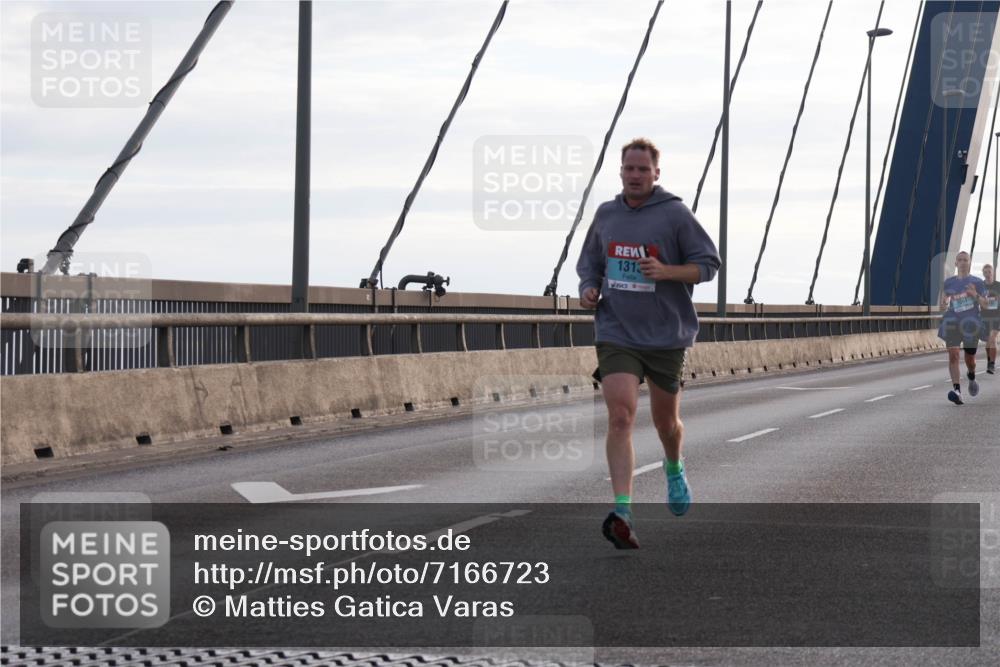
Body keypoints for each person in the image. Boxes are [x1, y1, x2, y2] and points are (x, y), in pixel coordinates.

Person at [576, 137, 721, 549]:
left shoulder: (674, 214)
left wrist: (666, 271)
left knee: (665, 423)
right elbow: (590, 264)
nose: (635, 175)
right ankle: (623, 510)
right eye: (629, 169)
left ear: (657, 173)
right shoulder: (606, 215)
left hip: (665, 335)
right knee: (620, 416)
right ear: (620, 172)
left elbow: (707, 265)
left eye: (643, 169)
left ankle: (674, 467)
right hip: (616, 330)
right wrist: (589, 288)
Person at [939, 251, 989, 405]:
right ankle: (957, 391)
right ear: (955, 263)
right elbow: (943, 304)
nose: (962, 262)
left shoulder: (978, 282)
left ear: (970, 262)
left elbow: (987, 305)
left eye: (965, 260)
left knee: (970, 359)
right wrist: (944, 304)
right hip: (953, 322)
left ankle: (972, 375)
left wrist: (975, 294)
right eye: (959, 260)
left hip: (971, 324)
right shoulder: (948, 283)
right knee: (953, 354)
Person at [982, 263, 999, 374]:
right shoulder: (980, 286)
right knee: (988, 343)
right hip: (985, 317)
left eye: (989, 272)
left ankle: (991, 364)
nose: (988, 274)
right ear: (983, 273)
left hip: (997, 316)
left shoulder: (998, 285)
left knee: (992, 338)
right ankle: (989, 360)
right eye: (986, 272)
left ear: (993, 273)